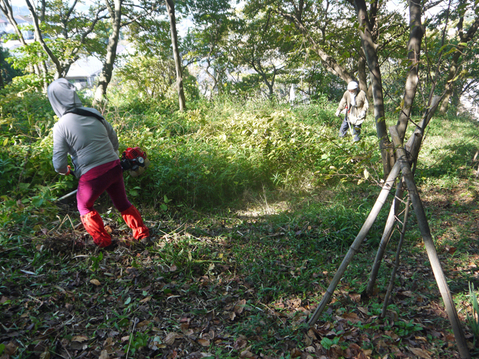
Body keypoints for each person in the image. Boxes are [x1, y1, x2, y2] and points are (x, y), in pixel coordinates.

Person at [48, 78, 149, 247]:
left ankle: (103, 242)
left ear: (55, 100)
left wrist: (64, 170)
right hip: (115, 166)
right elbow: (113, 137)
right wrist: (112, 157)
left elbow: (58, 163)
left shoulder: (61, 125)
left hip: (92, 175)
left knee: (84, 207)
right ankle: (142, 234)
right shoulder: (93, 113)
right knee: (122, 202)